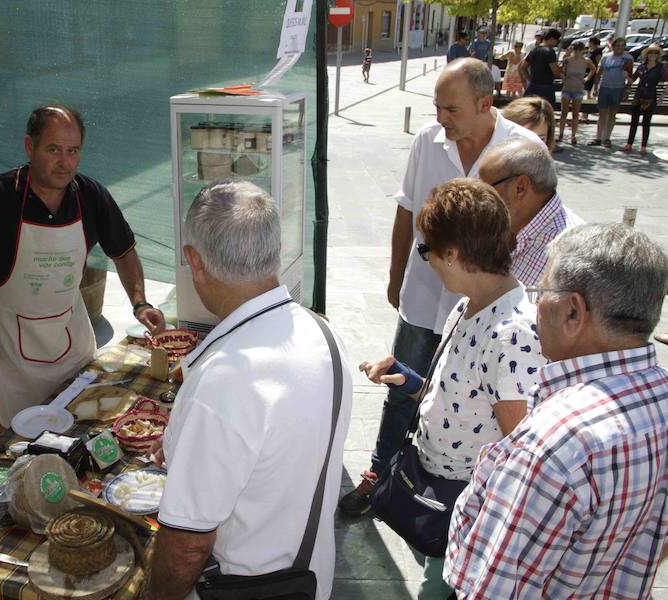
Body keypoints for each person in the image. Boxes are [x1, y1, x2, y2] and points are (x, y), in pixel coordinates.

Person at [337, 58, 542, 519]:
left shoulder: (522, 149)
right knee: (407, 388)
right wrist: (397, 276)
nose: (440, 118)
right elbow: (406, 211)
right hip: (431, 300)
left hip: (470, 502)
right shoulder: (427, 141)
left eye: (450, 109)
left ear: (485, 104)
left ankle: (441, 501)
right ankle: (383, 476)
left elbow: (520, 447)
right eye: (436, 107)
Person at [145, 181, 353, 600]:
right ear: (276, 250)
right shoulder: (323, 333)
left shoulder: (221, 382)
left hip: (240, 587)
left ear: (194, 261)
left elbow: (188, 546)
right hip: (310, 578)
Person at [445, 223, 668, 599]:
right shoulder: (660, 395)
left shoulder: (554, 442)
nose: (534, 308)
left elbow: (495, 590)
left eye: (541, 293)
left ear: (573, 312)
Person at [360, 179, 545, 599]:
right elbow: (461, 396)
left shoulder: (512, 335)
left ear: (453, 254)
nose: (425, 260)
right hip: (437, 494)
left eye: (426, 250)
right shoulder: (467, 305)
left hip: (467, 512)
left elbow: (520, 450)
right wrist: (407, 379)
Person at [0, 105, 166, 430]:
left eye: (73, 151)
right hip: (10, 354)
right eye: (53, 150)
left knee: (80, 428)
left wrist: (140, 303)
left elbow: (124, 252)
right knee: (15, 439)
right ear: (29, 146)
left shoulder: (91, 196)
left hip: (72, 345)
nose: (64, 162)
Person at [478, 138, 583, 285]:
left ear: (520, 187)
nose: (478, 196)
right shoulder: (506, 223)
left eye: (485, 188)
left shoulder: (569, 254)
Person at [622, 45, 668, 153]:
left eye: (655, 53)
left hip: (651, 96)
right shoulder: (641, 67)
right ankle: (629, 144)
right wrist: (626, 76)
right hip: (639, 95)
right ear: (647, 54)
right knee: (634, 121)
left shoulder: (661, 67)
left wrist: (663, 95)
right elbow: (632, 80)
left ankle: (643, 146)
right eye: (651, 52)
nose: (653, 55)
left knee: (646, 122)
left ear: (658, 55)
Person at [589, 37, 633, 147]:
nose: (620, 48)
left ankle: (607, 138)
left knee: (612, 114)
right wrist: (595, 87)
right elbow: (599, 73)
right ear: (613, 46)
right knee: (602, 114)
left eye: (622, 45)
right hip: (605, 87)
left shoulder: (628, 58)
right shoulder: (606, 57)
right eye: (617, 45)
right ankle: (598, 138)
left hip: (618, 88)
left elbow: (630, 76)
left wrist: (627, 90)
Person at [557, 41, 596, 144]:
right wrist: (563, 77)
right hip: (567, 88)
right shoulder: (568, 60)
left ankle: (573, 135)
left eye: (579, 50)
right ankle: (560, 134)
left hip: (578, 89)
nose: (577, 52)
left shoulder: (586, 61)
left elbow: (593, 69)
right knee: (564, 112)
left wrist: (587, 78)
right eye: (575, 49)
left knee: (575, 113)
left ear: (583, 50)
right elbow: (559, 70)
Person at [520, 27, 562, 107]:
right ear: (552, 39)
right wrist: (561, 67)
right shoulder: (550, 52)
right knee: (545, 111)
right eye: (557, 41)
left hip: (533, 85)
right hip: (546, 87)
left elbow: (523, 67)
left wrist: (529, 79)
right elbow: (556, 72)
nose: (557, 43)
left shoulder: (534, 50)